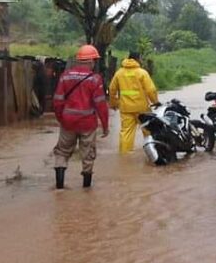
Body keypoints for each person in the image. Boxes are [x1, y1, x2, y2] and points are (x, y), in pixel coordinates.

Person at [52, 44, 109, 189]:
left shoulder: (65, 77)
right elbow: (101, 105)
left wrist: (61, 118)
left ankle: (59, 186)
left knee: (62, 151)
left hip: (68, 121)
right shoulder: (95, 79)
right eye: (94, 61)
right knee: (88, 153)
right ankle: (86, 189)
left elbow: (57, 101)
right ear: (90, 61)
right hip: (87, 123)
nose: (94, 63)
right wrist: (105, 126)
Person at [109, 51, 160, 153]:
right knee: (148, 131)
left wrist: (114, 103)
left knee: (126, 133)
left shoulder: (119, 73)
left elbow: (111, 89)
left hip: (125, 108)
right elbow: (151, 90)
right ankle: (152, 153)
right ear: (138, 59)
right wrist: (156, 102)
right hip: (142, 108)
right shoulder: (142, 73)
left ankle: (124, 158)